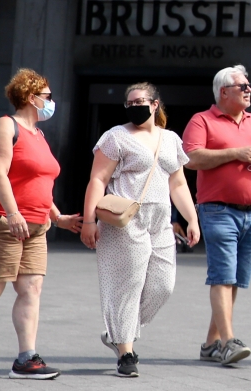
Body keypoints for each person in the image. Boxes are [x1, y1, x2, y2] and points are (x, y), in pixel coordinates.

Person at [0, 68, 82, 379]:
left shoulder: (38, 135)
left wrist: (58, 217)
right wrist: (14, 213)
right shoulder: (6, 127)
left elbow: (38, 182)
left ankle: (26, 359)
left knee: (31, 287)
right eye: (47, 97)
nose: (51, 102)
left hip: (36, 225)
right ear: (31, 98)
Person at [81, 82, 202, 377]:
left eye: (140, 101)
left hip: (160, 222)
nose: (135, 107)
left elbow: (178, 183)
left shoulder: (171, 139)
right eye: (130, 103)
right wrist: (88, 220)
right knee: (127, 285)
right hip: (126, 220)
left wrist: (192, 219)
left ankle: (120, 332)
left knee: (163, 285)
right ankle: (125, 352)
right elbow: (97, 179)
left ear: (155, 104)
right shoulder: (116, 137)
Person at [183, 65, 251, 366]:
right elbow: (190, 157)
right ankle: (228, 342)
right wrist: (235, 153)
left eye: (250, 86)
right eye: (243, 86)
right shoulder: (202, 120)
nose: (249, 90)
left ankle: (211, 343)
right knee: (222, 276)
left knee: (236, 280)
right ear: (223, 91)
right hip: (218, 210)